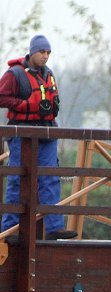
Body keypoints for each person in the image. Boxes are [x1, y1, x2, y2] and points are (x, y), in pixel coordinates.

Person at [0, 34, 76, 241]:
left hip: (47, 132)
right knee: (18, 179)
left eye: (48, 53)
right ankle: (9, 230)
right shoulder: (14, 74)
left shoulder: (48, 74)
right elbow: (1, 97)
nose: (45, 56)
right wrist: (22, 105)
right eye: (42, 52)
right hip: (22, 133)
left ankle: (54, 227)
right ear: (33, 52)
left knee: (50, 178)